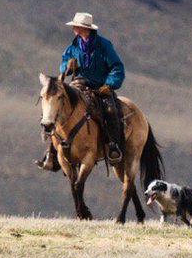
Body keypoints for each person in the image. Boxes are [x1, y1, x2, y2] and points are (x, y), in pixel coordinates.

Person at [36, 12, 126, 170]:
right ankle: (51, 152)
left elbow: (117, 67)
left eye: (76, 27)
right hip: (79, 84)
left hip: (100, 87)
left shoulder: (104, 46)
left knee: (111, 110)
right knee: (58, 108)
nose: (74, 29)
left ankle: (112, 146)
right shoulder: (73, 47)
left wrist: (109, 85)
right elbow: (63, 64)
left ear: (85, 29)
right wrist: (68, 67)